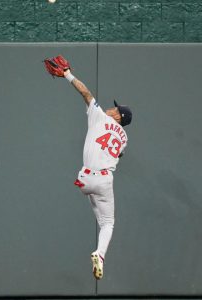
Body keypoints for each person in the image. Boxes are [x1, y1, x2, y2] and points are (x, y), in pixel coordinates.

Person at [45, 56, 132, 280]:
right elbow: (118, 152)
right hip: (103, 180)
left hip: (84, 179)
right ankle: (99, 255)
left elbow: (85, 92)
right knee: (107, 223)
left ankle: (99, 255)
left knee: (102, 218)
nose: (112, 108)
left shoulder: (100, 116)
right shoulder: (124, 137)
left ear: (118, 115)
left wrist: (67, 74)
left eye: (116, 108)